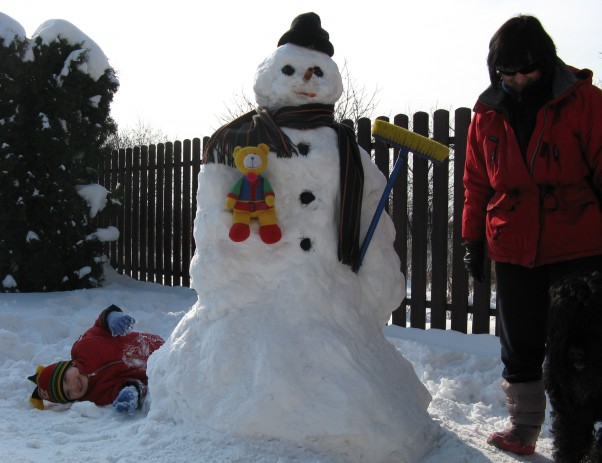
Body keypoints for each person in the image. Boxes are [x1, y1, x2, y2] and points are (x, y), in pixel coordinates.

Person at [462, 14, 602, 456]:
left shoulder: (584, 101)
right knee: (519, 341)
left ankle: (592, 433)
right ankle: (523, 429)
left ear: (546, 62)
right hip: (513, 244)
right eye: (509, 72)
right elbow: (476, 182)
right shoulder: (486, 114)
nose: (519, 80)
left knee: (583, 345)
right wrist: (473, 240)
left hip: (578, 244)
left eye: (528, 69)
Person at [28, 304, 164, 415]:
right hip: (159, 369)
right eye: (68, 393)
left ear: (69, 365)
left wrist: (112, 318)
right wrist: (130, 392)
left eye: (66, 379)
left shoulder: (82, 347)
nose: (73, 386)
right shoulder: (94, 395)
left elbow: (99, 326)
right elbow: (124, 386)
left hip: (151, 343)